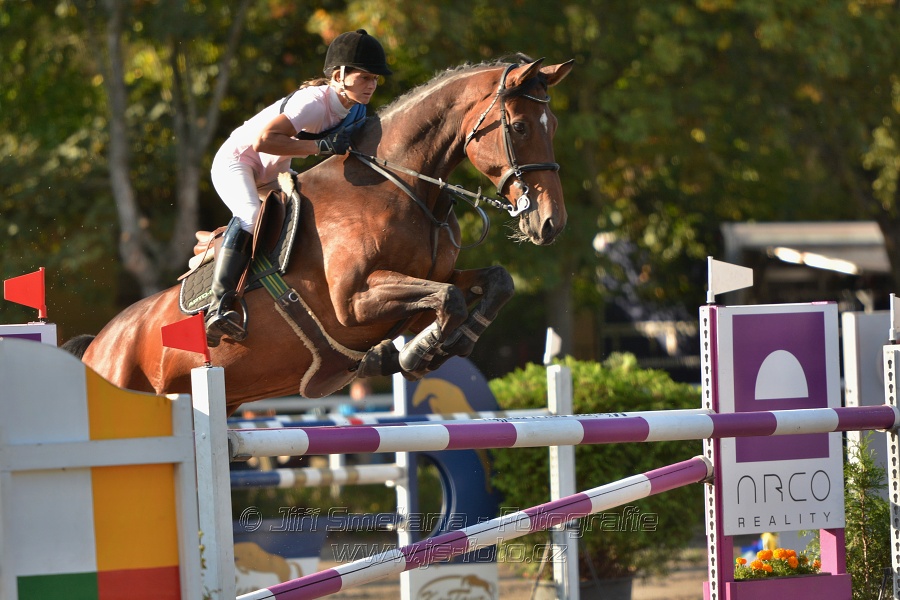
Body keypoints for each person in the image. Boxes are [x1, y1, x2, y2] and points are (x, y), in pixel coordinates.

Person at [205, 29, 392, 346]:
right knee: (250, 214)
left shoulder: (357, 111)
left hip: (274, 170)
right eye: (365, 77)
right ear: (339, 76)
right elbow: (263, 141)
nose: (372, 85)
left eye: (375, 79)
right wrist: (320, 147)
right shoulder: (314, 103)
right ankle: (218, 306)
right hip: (238, 160)